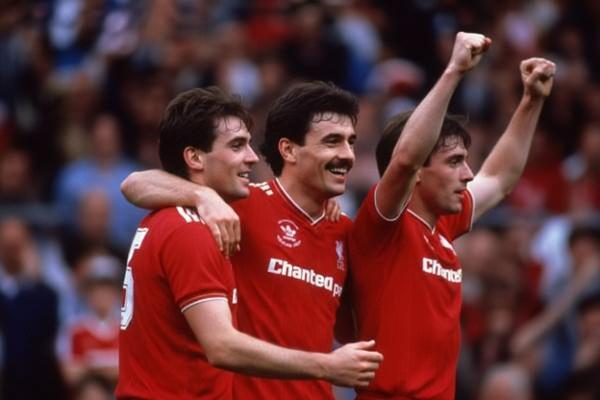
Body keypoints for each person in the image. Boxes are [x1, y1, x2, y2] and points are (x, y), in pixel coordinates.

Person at [116, 86, 382, 400]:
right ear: (289, 150)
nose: (348, 154)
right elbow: (133, 183)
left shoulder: (344, 231)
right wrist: (203, 196)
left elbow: (349, 328)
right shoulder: (232, 207)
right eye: (332, 141)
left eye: (351, 142)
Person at [348, 31, 555, 399]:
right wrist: (454, 71)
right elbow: (406, 157)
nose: (468, 174)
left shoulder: (443, 225)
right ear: (418, 173)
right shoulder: (383, 225)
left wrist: (531, 101)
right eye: (455, 161)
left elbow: (499, 178)